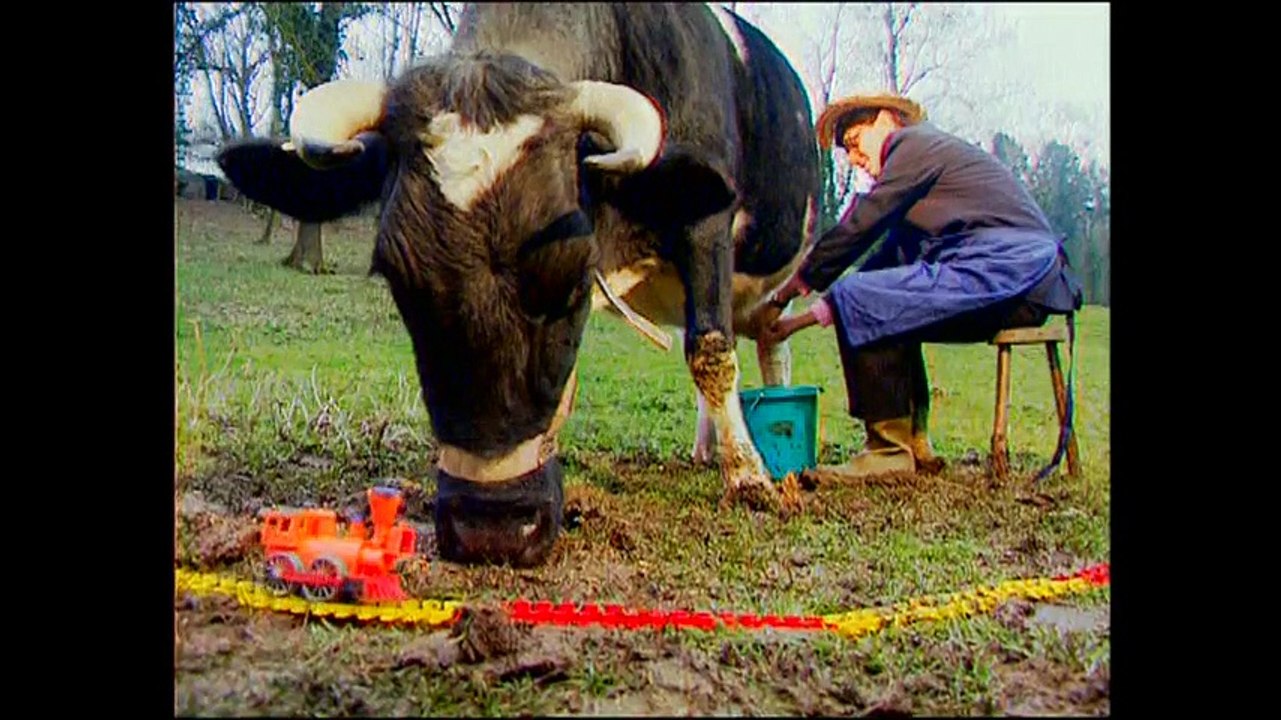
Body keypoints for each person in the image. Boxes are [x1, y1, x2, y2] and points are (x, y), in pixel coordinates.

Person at [760, 94, 1083, 479]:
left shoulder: (915, 145)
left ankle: (887, 452)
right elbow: (879, 266)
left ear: (886, 119)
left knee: (867, 299)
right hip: (1011, 278)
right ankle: (915, 444)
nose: (854, 159)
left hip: (1013, 273)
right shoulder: (924, 183)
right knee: (875, 295)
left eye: (854, 141)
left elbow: (862, 224)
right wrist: (794, 324)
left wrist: (786, 291)